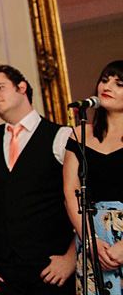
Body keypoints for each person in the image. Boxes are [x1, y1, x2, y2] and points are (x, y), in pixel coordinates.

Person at [0, 65, 76, 294]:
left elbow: (81, 203)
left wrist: (72, 257)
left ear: (22, 87)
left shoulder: (62, 136)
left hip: (51, 267)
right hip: (4, 269)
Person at [63, 60, 123, 294]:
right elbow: (70, 191)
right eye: (104, 80)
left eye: (118, 84)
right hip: (91, 230)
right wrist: (89, 239)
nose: (107, 87)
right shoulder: (80, 133)